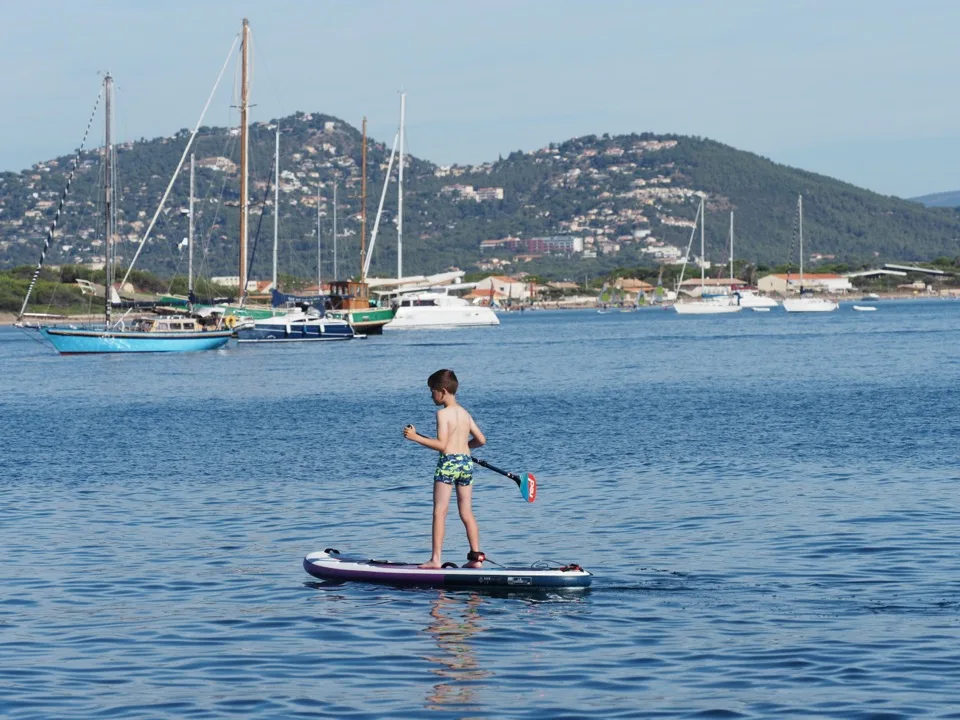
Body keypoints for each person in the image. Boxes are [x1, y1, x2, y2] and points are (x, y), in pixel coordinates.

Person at [403, 369, 487, 569]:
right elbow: (481, 440)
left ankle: (435, 559)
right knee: (466, 511)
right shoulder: (465, 413)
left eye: (432, 390)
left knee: (439, 511)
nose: (431, 395)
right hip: (466, 463)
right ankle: (476, 559)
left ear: (442, 391)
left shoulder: (442, 414)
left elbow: (442, 445)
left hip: (448, 463)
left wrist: (416, 438)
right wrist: (465, 447)